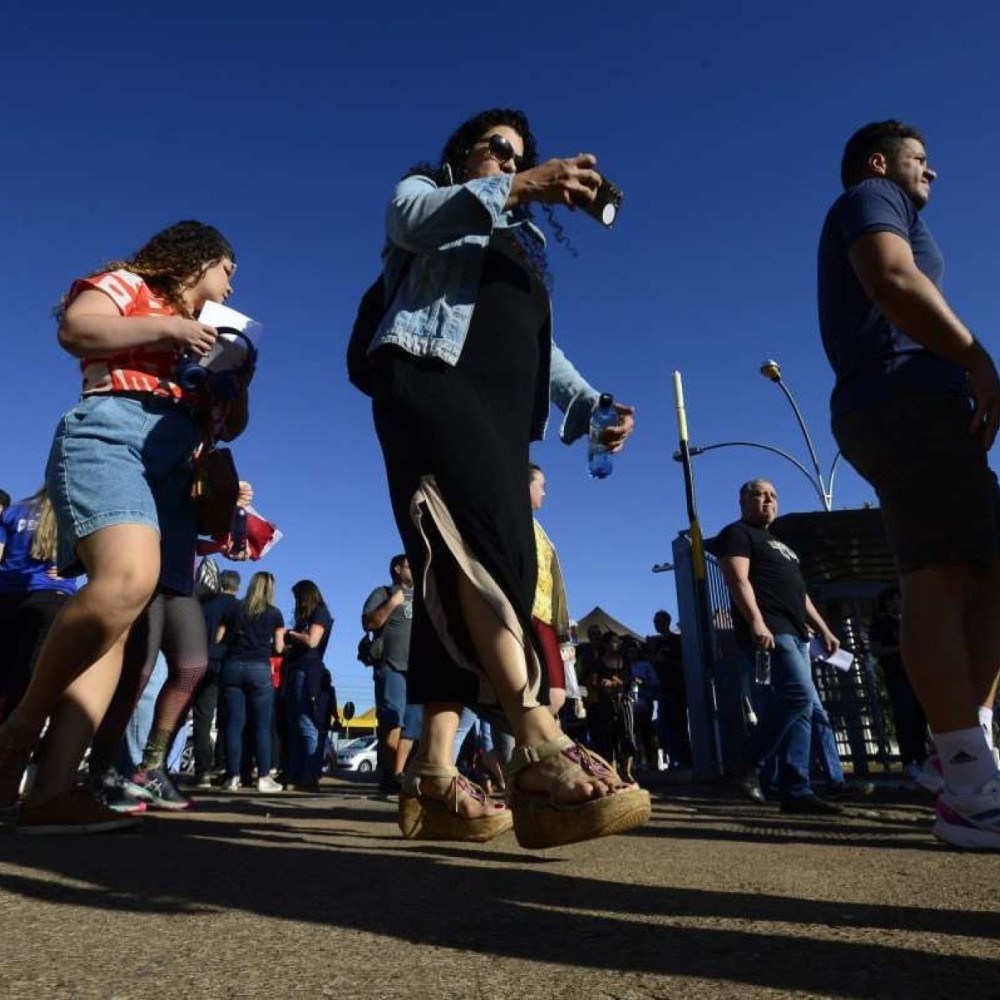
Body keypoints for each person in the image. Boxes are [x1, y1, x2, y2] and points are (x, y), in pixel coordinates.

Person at [368, 107, 649, 848]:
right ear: (463, 153)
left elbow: (537, 346)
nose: (507, 160)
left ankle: (432, 777)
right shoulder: (428, 192)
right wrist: (520, 183)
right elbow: (411, 221)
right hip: (431, 382)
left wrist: (590, 406)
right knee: (484, 551)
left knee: (456, 573)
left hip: (498, 416)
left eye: (518, 154)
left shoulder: (517, 244)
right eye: (497, 150)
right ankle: (535, 742)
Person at [0, 221, 240, 834]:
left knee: (122, 617)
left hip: (176, 459)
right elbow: (77, 330)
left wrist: (235, 381)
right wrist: (172, 327)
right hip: (113, 431)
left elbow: (230, 426)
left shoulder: (211, 335)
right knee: (127, 580)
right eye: (227, 272)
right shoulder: (129, 285)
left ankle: (51, 792)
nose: (231, 289)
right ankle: (20, 730)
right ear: (199, 260)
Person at [818, 120, 1000, 848]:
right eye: (921, 159)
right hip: (902, 401)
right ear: (879, 160)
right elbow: (891, 277)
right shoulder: (871, 194)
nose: (934, 172)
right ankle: (966, 785)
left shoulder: (891, 202)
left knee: (983, 572)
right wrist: (977, 358)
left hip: (921, 404)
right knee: (943, 571)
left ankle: (961, 756)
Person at [717, 480, 843, 815]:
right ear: (743, 500)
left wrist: (824, 629)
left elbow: (800, 594)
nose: (767, 500)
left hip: (798, 634)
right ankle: (748, 765)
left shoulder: (781, 545)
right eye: (758, 494)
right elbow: (737, 579)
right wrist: (757, 621)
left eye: (773, 495)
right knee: (797, 697)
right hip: (773, 631)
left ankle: (796, 789)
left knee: (803, 710)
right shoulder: (738, 533)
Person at [0, 488, 77, 724]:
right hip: (53, 601)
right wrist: (74, 567)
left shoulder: (14, 511)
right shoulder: (75, 514)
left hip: (8, 595)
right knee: (27, 683)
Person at [217, 571, 285, 792]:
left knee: (233, 725)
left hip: (232, 667)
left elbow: (218, 638)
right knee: (261, 727)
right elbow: (279, 647)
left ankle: (232, 777)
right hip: (258, 668)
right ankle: (264, 778)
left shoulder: (234, 608)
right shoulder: (274, 614)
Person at [362, 554, 418, 794]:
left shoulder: (423, 594)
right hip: (392, 667)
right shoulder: (383, 592)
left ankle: (407, 773)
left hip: (418, 669)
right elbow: (369, 623)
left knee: (415, 725)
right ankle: (391, 775)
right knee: (393, 721)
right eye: (409, 565)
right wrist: (392, 604)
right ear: (397, 569)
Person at [868, 587, 929, 781]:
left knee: (920, 718)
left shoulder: (907, 622)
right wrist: (902, 647)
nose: (900, 602)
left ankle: (923, 760)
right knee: (905, 718)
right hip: (897, 676)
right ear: (888, 601)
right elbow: (876, 650)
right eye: (897, 599)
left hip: (916, 676)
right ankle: (909, 762)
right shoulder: (880, 625)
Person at [282, 579, 334, 790]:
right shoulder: (307, 617)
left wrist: (290, 634)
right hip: (296, 670)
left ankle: (310, 775)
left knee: (307, 723)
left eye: (297, 597)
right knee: (295, 725)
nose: (296, 603)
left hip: (308, 671)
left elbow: (312, 640)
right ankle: (296, 774)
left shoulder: (319, 612)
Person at [528, 464, 571, 720]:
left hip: (547, 617)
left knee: (554, 695)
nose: (544, 493)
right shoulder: (515, 520)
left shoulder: (537, 528)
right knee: (553, 695)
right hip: (530, 614)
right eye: (541, 486)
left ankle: (506, 757)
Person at [192, 569, 242, 787]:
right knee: (231, 719)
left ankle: (202, 770)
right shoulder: (241, 609)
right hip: (231, 666)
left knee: (202, 719)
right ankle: (226, 766)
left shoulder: (205, 606)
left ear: (220, 583)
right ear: (237, 587)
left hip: (205, 661)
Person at [645, 611, 692, 769]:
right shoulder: (655, 643)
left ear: (666, 622)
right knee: (665, 725)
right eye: (654, 621)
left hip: (676, 689)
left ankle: (685, 759)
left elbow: (685, 664)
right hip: (661, 690)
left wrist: (665, 660)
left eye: (658, 621)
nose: (656, 624)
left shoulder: (676, 641)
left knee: (679, 723)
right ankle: (673, 758)